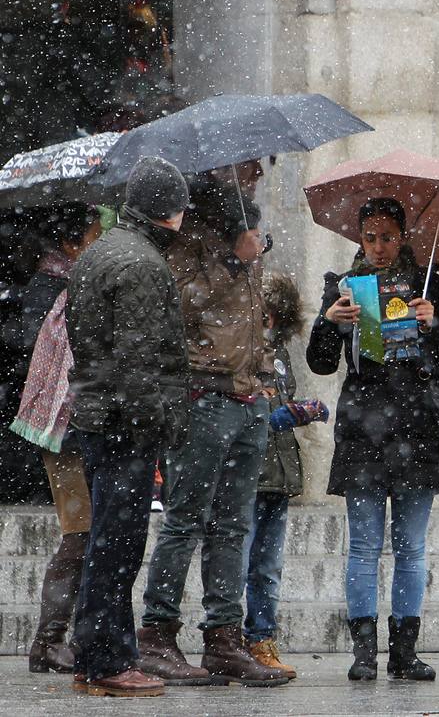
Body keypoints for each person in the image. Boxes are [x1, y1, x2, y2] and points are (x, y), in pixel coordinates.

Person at [307, 197, 439, 682]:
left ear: (404, 238)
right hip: (362, 427)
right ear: (360, 238)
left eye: (388, 237)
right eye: (370, 237)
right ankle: (363, 651)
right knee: (362, 546)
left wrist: (432, 321)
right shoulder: (344, 287)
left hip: (417, 427)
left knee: (411, 547)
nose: (378, 247)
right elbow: (319, 362)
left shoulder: (428, 284)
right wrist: (328, 323)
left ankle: (404, 650)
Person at [136, 181, 288, 687]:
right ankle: (157, 634)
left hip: (249, 401)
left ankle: (224, 637)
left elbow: (253, 327)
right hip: (205, 398)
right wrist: (231, 264)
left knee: (233, 525)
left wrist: (266, 378)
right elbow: (178, 310)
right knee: (185, 522)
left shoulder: (249, 253)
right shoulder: (190, 248)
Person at [66, 156, 191, 697]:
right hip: (123, 426)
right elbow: (138, 359)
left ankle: (95, 654)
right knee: (118, 545)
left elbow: (85, 339)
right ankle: (108, 661)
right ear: (171, 212)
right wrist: (155, 425)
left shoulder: (98, 253)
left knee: (106, 541)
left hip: (97, 416)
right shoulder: (142, 264)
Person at [9, 203, 103, 673]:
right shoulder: (52, 288)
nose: (100, 242)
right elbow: (43, 354)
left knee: (86, 535)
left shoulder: (73, 283)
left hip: (83, 428)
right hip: (62, 431)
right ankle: (48, 640)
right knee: (79, 534)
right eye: (92, 235)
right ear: (71, 245)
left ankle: (67, 637)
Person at [242, 272, 329, 678]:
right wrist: (278, 415)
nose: (270, 322)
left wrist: (297, 411)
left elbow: (281, 401)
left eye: (277, 315)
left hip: (277, 473)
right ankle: (227, 639)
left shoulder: (278, 354)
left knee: (267, 565)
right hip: (245, 472)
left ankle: (261, 640)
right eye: (265, 313)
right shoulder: (237, 349)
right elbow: (245, 413)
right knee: (240, 560)